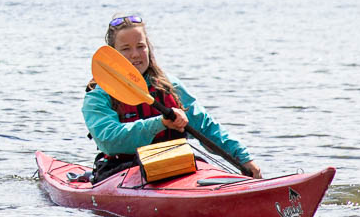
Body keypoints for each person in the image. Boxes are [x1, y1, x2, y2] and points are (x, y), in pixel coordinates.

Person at [84, 13, 262, 180]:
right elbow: (110, 141)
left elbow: (206, 127)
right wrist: (160, 123)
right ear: (113, 54)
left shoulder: (169, 86)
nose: (135, 54)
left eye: (141, 46)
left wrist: (243, 158)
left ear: (149, 48)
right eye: (125, 49)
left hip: (177, 164)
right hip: (122, 170)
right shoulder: (99, 96)